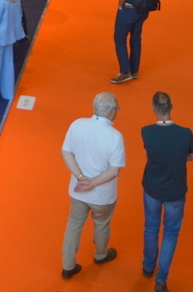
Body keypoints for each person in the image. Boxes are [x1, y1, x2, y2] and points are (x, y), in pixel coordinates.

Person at [60, 92, 126, 281]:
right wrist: (92, 184)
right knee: (102, 223)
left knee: (74, 224)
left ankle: (68, 266)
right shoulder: (115, 136)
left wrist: (81, 178)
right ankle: (101, 254)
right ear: (111, 112)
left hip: (77, 191)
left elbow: (66, 152)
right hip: (103, 196)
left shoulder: (77, 124)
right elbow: (113, 171)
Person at [141, 91, 193, 292]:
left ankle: (148, 267)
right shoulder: (185, 133)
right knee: (171, 233)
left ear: (153, 109)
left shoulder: (146, 131)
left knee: (151, 227)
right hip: (175, 191)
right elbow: (192, 156)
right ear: (171, 107)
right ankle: (161, 279)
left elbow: (148, 152)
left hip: (152, 189)